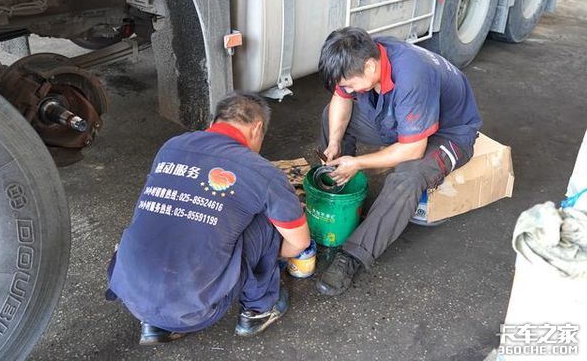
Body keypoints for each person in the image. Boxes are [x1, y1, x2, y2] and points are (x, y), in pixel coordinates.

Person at [107, 93, 310, 344]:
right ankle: (258, 310)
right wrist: (272, 256)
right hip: (195, 312)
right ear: (257, 128)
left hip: (132, 296)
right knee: (269, 223)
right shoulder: (262, 171)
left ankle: (156, 325)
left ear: (215, 120)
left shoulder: (172, 146)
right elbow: (299, 243)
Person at [315, 27, 482, 296]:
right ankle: (339, 194)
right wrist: (334, 142)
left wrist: (358, 163)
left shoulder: (412, 76)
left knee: (409, 176)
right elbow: (340, 98)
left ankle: (354, 255)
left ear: (370, 68)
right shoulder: (364, 56)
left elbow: (413, 150)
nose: (345, 89)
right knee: (331, 118)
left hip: (449, 132)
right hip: (402, 113)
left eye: (348, 83)